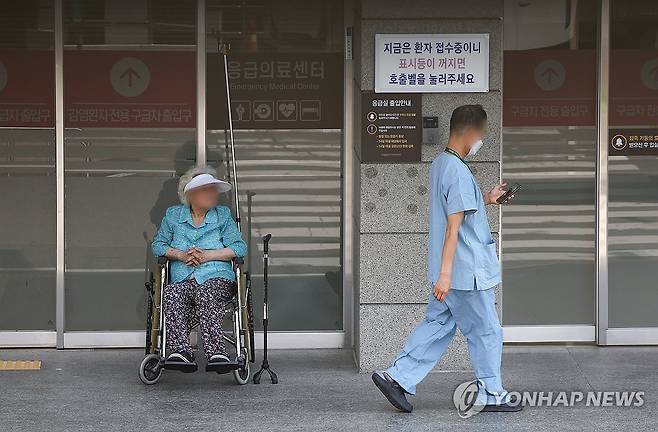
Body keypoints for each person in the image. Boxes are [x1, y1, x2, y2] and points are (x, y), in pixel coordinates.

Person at [371, 105, 522, 413]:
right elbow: (454, 227)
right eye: (482, 133)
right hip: (465, 273)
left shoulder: (442, 163)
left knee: (438, 322)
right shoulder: (458, 172)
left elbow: (458, 212)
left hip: (452, 271)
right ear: (470, 132)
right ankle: (491, 395)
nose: (482, 139)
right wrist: (446, 275)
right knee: (486, 331)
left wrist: (488, 199)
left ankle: (397, 377)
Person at [152, 167, 247, 370]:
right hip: (184, 278)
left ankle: (216, 353)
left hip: (217, 277)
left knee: (206, 292)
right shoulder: (173, 215)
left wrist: (208, 255)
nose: (213, 194)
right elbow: (158, 245)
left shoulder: (222, 215)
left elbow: (239, 247)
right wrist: (181, 255)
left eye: (214, 189)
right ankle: (181, 351)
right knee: (171, 293)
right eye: (207, 190)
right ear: (190, 194)